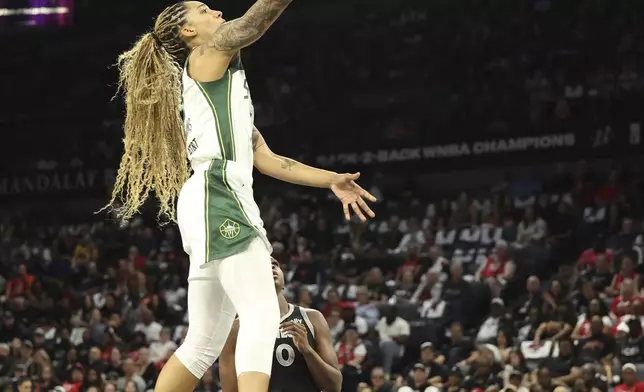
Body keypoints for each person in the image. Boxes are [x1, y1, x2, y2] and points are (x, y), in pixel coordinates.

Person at [105, 2, 377, 392]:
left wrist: (331, 180)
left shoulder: (222, 84)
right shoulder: (206, 53)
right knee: (262, 314)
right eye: (203, 8)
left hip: (211, 197)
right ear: (187, 31)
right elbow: (252, 23)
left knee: (204, 342)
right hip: (218, 194)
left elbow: (268, 159)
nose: (215, 10)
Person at [219, 258, 342, 392]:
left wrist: (308, 351)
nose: (271, 268)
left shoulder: (312, 318)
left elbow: (334, 385)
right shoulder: (237, 329)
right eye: (263, 265)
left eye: (274, 265)